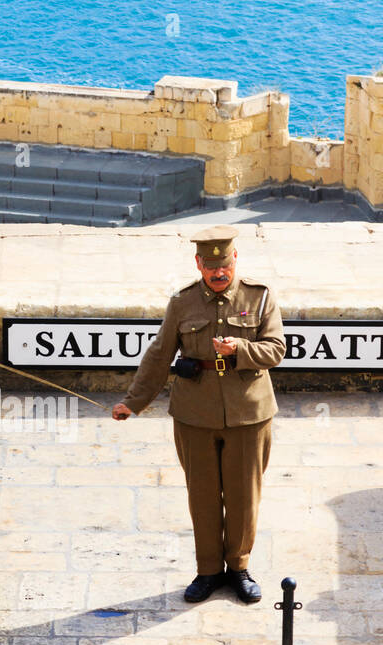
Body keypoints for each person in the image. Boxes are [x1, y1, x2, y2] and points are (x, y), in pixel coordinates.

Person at [112, 231, 286, 603]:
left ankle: (239, 568)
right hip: (195, 415)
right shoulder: (182, 302)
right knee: (203, 496)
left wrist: (239, 348)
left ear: (236, 258)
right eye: (211, 267)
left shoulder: (261, 296)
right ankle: (208, 570)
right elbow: (159, 355)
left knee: (243, 496)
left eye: (224, 266)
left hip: (248, 413)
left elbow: (275, 349)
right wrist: (134, 401)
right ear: (199, 265)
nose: (218, 273)